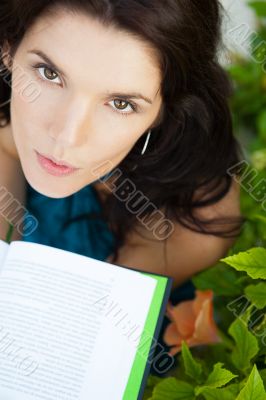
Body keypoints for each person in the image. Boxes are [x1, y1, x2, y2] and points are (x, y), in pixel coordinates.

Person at [0, 0, 244, 376]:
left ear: (165, 109)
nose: (65, 137)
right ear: (7, 50)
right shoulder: (10, 120)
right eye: (49, 73)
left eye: (120, 103)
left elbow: (66, 351)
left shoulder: (194, 218)